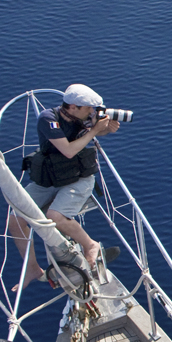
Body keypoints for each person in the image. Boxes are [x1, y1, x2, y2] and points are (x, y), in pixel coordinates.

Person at [8, 83, 120, 290]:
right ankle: (32, 268)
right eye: (89, 108)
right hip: (50, 177)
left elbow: (92, 134)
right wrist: (94, 130)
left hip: (78, 177)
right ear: (74, 107)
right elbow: (68, 150)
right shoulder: (48, 119)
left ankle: (90, 245)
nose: (92, 112)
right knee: (14, 220)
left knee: (55, 216)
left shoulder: (84, 117)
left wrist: (104, 129)